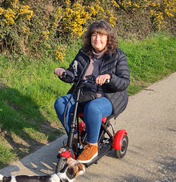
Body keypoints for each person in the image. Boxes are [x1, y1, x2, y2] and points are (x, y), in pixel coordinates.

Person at [54, 20, 130, 163]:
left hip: (109, 97)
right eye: (94, 35)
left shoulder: (118, 55)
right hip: (84, 94)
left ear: (108, 38)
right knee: (60, 103)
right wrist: (63, 72)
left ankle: (92, 146)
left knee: (93, 108)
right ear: (90, 37)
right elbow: (73, 73)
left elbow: (125, 81)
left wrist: (110, 77)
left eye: (101, 35)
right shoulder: (83, 53)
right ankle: (74, 139)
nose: (97, 39)